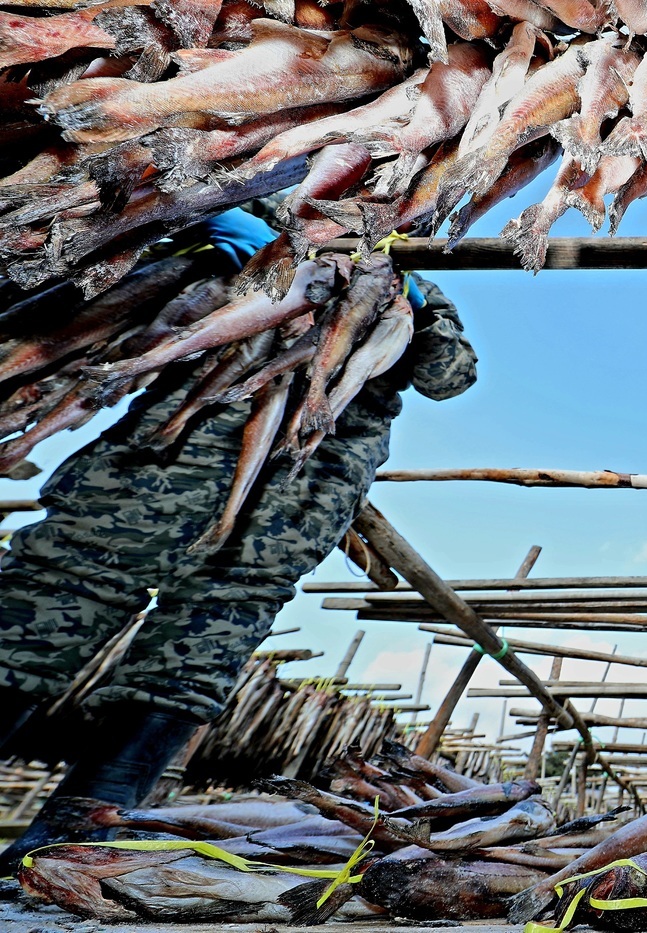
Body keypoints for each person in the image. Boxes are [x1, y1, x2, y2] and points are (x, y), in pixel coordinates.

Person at [0, 208, 477, 871]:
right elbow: (122, 300)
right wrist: (216, 254)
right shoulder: (246, 228)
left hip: (300, 480)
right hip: (164, 457)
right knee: (47, 598)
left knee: (204, 642)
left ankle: (74, 834)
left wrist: (420, 307)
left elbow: (449, 376)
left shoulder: (416, 279)